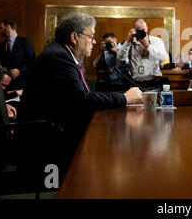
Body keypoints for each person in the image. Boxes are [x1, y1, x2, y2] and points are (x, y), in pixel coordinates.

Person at [20, 12, 142, 171]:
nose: (94, 41)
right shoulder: (59, 57)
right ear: (74, 37)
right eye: (91, 36)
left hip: (58, 129)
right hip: (48, 139)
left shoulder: (65, 55)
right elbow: (82, 100)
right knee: (119, 151)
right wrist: (124, 98)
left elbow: (83, 96)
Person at [117, 19, 168, 90]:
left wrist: (147, 45)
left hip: (154, 84)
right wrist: (127, 41)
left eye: (143, 29)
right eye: (138, 29)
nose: (141, 32)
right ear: (134, 30)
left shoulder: (156, 41)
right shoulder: (130, 42)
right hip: (136, 85)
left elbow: (163, 58)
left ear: (147, 29)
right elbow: (120, 59)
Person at [0, 19, 35, 90]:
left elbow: (33, 62)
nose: (0, 31)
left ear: (8, 27)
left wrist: (20, 71)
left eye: (1, 28)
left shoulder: (25, 42)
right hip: (5, 86)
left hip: (22, 85)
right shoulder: (0, 46)